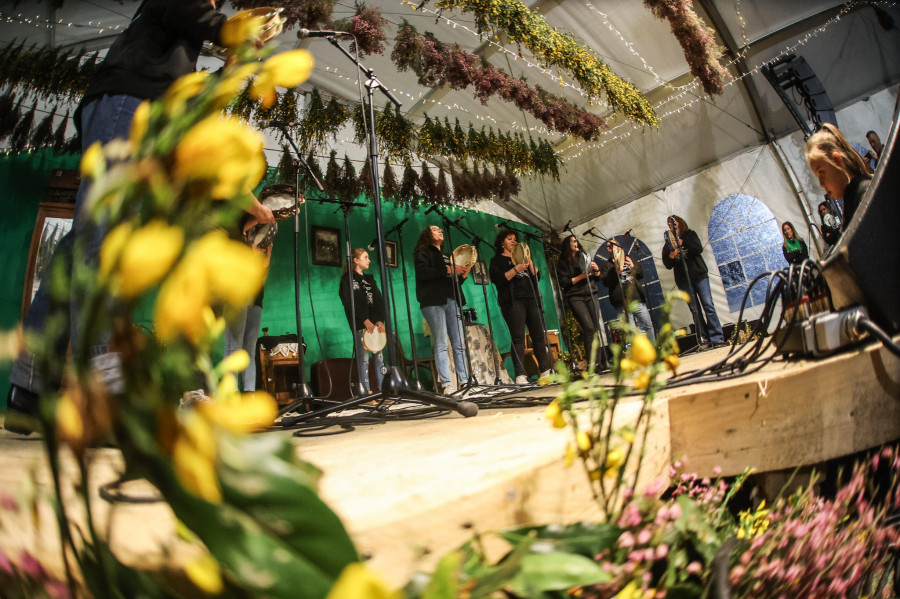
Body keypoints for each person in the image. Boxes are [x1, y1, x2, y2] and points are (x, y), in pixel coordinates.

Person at [5, 0, 276, 433]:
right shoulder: (179, 8)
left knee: (84, 244)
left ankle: (30, 387)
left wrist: (231, 63)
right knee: (102, 241)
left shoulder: (180, 42)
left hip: (141, 111)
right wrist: (230, 30)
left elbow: (191, 98)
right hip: (127, 103)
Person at [490, 229, 551, 385]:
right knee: (518, 338)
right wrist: (516, 269)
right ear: (502, 243)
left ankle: (545, 371)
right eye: (509, 239)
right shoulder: (497, 260)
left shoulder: (524, 258)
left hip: (532, 299)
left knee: (538, 336)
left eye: (515, 239)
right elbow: (498, 279)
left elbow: (536, 276)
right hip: (513, 301)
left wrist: (529, 261)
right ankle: (520, 375)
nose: (513, 241)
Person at [413, 225, 469, 394]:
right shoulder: (422, 253)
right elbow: (424, 273)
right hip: (432, 301)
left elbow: (451, 281)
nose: (440, 231)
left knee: (459, 343)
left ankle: (465, 381)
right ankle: (447, 384)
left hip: (451, 299)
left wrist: (462, 277)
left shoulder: (448, 255)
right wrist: (449, 269)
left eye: (440, 229)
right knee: (441, 343)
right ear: (427, 234)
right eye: (435, 229)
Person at [661, 215, 725, 346]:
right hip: (683, 280)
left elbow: (698, 248)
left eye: (673, 223)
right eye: (669, 224)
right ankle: (705, 338)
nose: (671, 226)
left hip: (699, 275)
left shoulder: (690, 234)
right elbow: (667, 264)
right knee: (695, 310)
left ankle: (717, 337)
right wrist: (671, 256)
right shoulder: (668, 244)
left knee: (708, 305)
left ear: (679, 223)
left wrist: (683, 242)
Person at [805, 123, 873, 230]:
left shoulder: (865, 192)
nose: (821, 184)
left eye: (821, 173)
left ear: (837, 160)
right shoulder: (850, 197)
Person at [339, 248, 386, 395]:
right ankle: (366, 393)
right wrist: (364, 319)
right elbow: (349, 302)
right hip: (361, 325)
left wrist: (380, 320)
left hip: (375, 325)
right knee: (363, 358)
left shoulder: (370, 279)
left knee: (379, 357)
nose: (369, 260)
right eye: (366, 257)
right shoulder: (347, 279)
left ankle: (382, 391)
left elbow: (378, 300)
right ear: (356, 260)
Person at [556, 235, 607, 369]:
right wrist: (580, 277)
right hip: (576, 297)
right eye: (573, 241)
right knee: (588, 327)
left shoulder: (584, 256)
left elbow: (597, 278)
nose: (576, 243)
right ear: (568, 245)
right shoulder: (562, 262)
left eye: (576, 241)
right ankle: (591, 362)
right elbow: (564, 282)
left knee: (595, 328)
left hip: (591, 294)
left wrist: (596, 270)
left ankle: (599, 362)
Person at [598, 237, 656, 341]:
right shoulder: (607, 265)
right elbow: (606, 282)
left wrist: (633, 267)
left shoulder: (629, 259)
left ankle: (652, 349)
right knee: (631, 330)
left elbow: (640, 274)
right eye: (607, 247)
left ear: (619, 247)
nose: (609, 248)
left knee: (647, 325)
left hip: (636, 298)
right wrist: (616, 271)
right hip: (622, 302)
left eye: (612, 245)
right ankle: (638, 354)